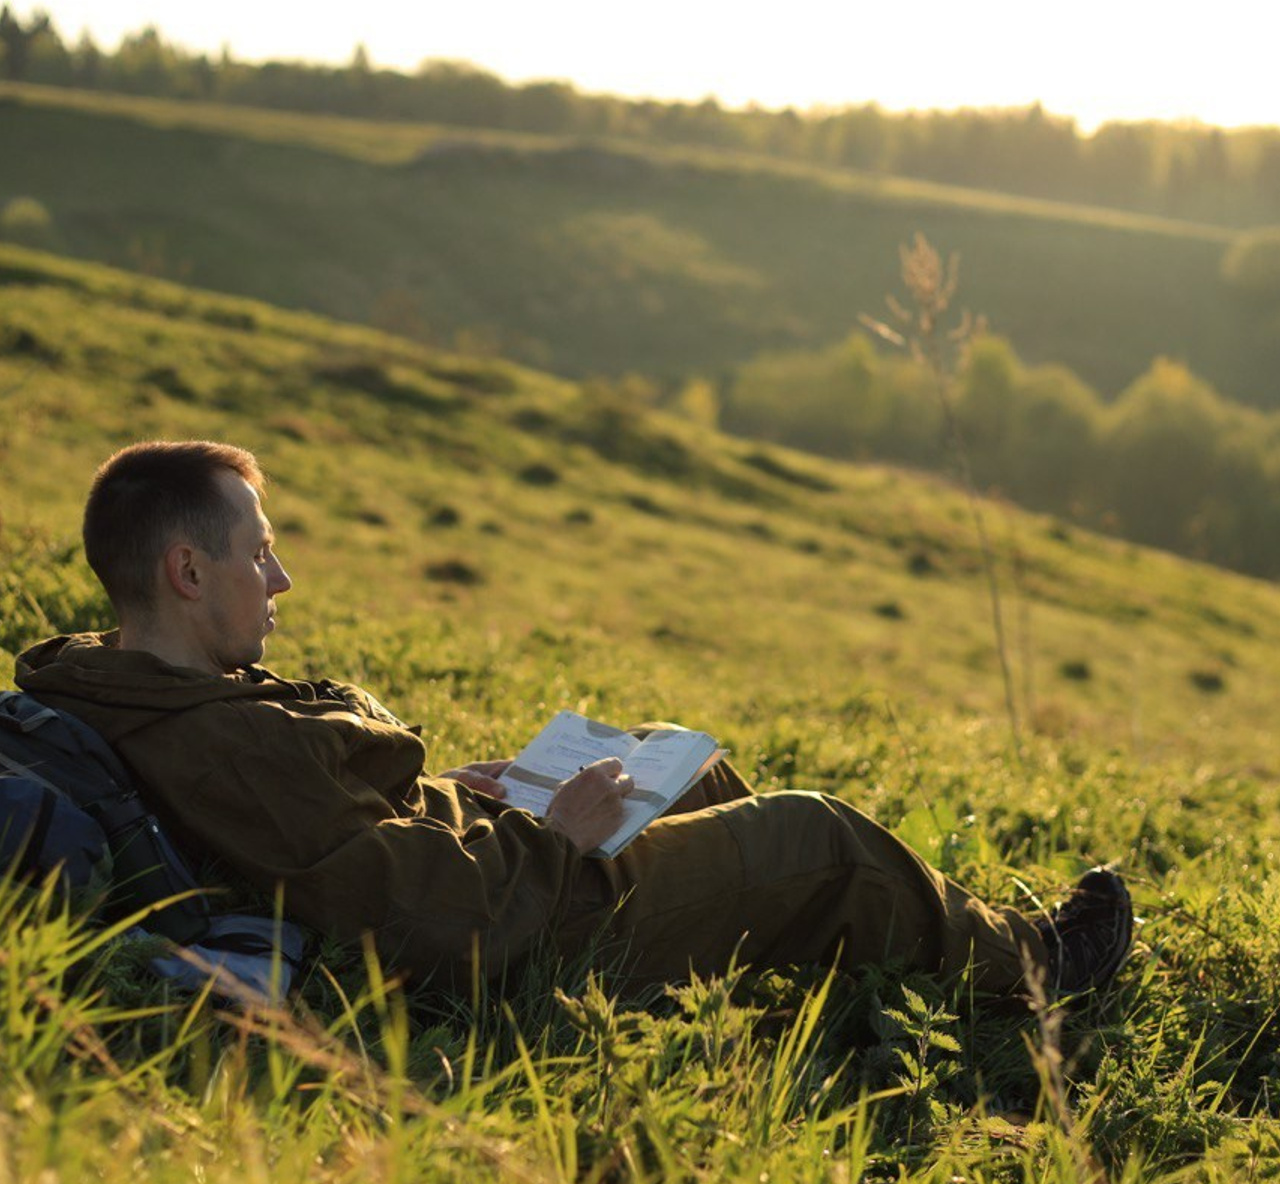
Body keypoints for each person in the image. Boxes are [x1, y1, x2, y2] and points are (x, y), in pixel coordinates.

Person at [14, 441, 1132, 998]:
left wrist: (447, 790)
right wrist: (558, 838)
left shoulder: (117, 682)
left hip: (481, 855)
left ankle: (783, 960)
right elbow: (422, 920)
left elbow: (333, 831)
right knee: (817, 833)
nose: (281, 577)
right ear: (185, 570)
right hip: (524, 920)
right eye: (258, 552)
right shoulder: (221, 742)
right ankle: (1039, 971)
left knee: (686, 770)